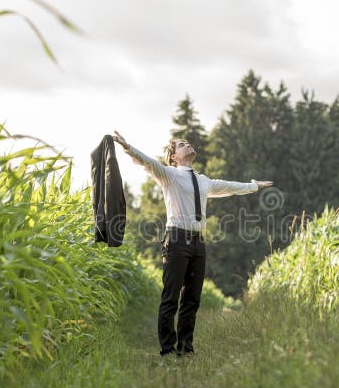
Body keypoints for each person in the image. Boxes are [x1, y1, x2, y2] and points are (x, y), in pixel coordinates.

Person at [113, 131, 273, 357]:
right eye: (181, 144)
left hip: (198, 242)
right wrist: (127, 147)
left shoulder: (203, 181)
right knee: (171, 298)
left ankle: (185, 349)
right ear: (174, 157)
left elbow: (230, 187)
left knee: (192, 299)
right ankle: (167, 350)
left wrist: (254, 186)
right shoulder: (169, 175)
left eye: (187, 143)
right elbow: (147, 162)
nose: (187, 145)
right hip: (176, 239)